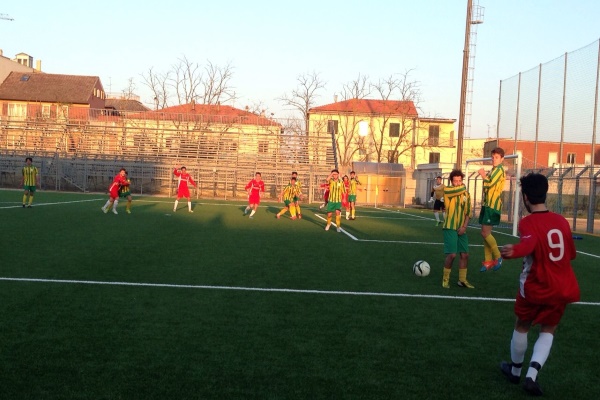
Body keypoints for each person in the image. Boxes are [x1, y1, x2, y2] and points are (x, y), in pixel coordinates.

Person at [499, 173, 580, 396]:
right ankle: (532, 376)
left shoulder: (528, 222)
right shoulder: (561, 221)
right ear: (545, 194)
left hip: (537, 286)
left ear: (525, 197)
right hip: (562, 287)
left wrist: (513, 251)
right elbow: (570, 254)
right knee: (548, 329)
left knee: (522, 324)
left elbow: (529, 244)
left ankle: (515, 372)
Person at [441, 170, 473, 289]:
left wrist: (464, 227)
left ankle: (462, 280)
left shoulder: (466, 195)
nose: (458, 183)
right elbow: (458, 190)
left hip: (461, 228)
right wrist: (463, 188)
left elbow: (468, 212)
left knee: (465, 254)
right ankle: (445, 279)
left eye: (460, 181)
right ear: (451, 182)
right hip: (450, 226)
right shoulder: (448, 190)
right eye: (455, 181)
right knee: (452, 255)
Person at [478, 147, 506, 272]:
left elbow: (489, 184)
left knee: (485, 233)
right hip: (487, 204)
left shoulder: (499, 170)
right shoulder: (494, 170)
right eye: (493, 157)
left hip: (492, 206)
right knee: (485, 233)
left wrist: (483, 175)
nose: (494, 159)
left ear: (502, 159)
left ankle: (498, 257)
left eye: (497, 157)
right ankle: (488, 261)